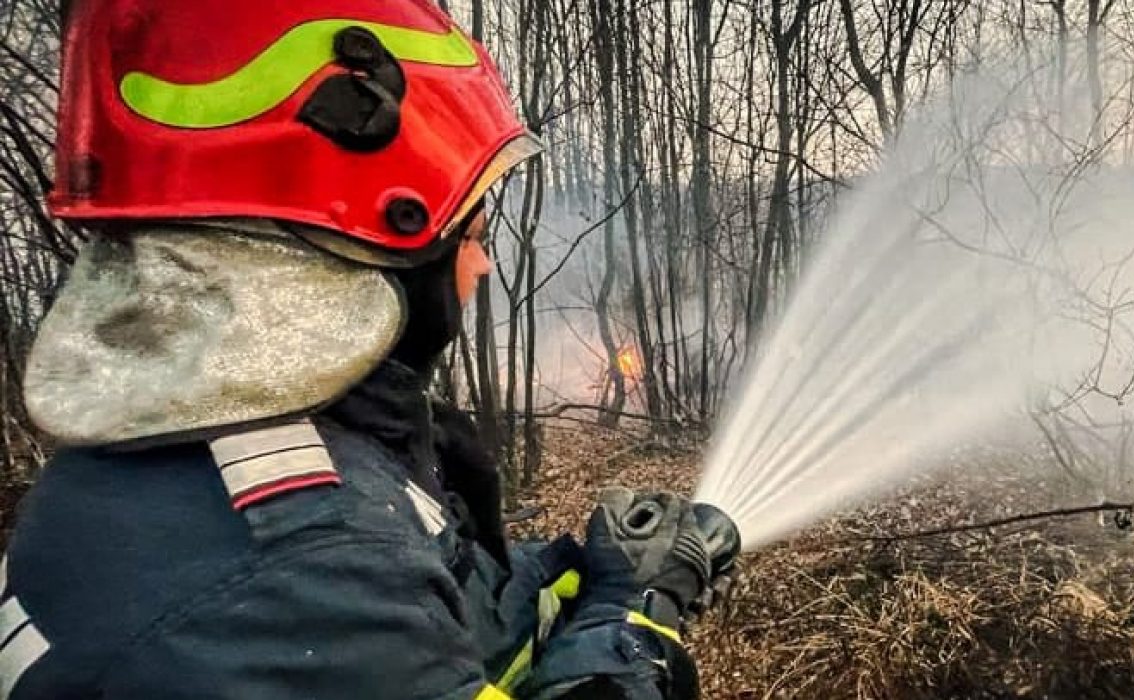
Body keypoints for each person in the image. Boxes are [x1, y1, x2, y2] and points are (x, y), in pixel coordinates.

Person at [2, 1, 738, 698]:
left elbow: (429, 614)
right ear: (373, 246)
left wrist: (577, 569)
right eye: (472, 237)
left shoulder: (198, 461)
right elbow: (362, 595)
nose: (481, 267)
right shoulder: (304, 565)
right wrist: (635, 611)